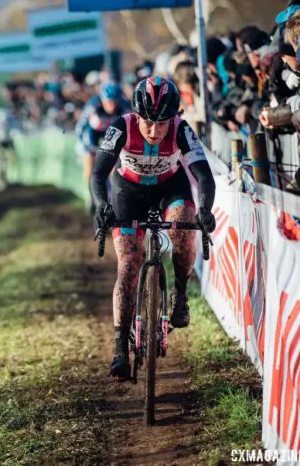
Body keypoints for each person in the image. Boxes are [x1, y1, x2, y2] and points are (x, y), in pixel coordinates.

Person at [89, 76, 217, 380]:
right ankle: (121, 346)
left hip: (170, 188)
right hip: (127, 192)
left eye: (162, 123)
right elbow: (97, 175)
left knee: (183, 231)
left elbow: (205, 176)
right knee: (129, 264)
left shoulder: (182, 130)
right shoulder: (121, 126)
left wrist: (205, 210)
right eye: (147, 121)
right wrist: (101, 206)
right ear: (136, 114)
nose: (154, 130)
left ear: (173, 118)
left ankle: (181, 295)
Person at [75, 81, 129, 214]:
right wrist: (87, 147)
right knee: (91, 170)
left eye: (114, 102)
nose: (112, 106)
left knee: (114, 171)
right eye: (108, 102)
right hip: (92, 137)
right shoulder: (93, 106)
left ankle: (111, 199)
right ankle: (91, 196)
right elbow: (80, 128)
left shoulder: (125, 107)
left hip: (112, 139)